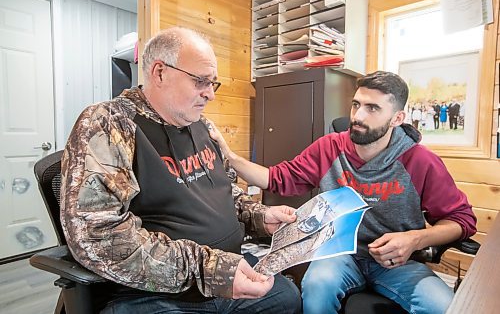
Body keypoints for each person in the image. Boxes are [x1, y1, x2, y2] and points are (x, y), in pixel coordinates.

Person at [59, 27, 301, 314]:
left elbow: (225, 193)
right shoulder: (110, 124)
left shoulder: (202, 126)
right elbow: (99, 236)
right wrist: (210, 270)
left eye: (213, 83)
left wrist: (259, 216)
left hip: (226, 274)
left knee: (287, 297)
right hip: (157, 292)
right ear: (160, 73)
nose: (210, 94)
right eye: (200, 81)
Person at [208, 71, 477, 314]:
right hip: (338, 256)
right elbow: (275, 178)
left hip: (398, 264)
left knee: (447, 307)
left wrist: (415, 240)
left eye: (373, 108)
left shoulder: (420, 161)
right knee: (315, 290)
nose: (358, 116)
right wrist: (228, 155)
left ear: (397, 118)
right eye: (356, 105)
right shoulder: (329, 147)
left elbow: (462, 221)